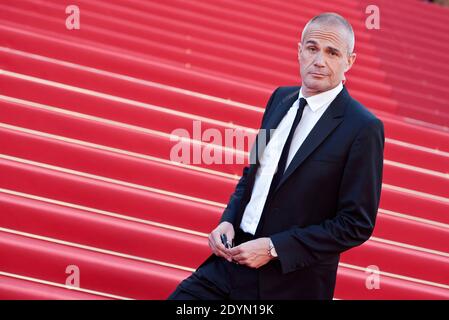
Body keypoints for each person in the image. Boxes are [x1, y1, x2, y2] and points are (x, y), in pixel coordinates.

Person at [168, 12, 385, 300]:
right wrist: (228, 220)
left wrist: (274, 248)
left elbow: (355, 224)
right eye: (312, 48)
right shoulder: (280, 98)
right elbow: (253, 174)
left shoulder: (363, 127)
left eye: (332, 52)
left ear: (350, 61)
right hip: (229, 265)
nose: (319, 60)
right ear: (299, 51)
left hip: (288, 283)